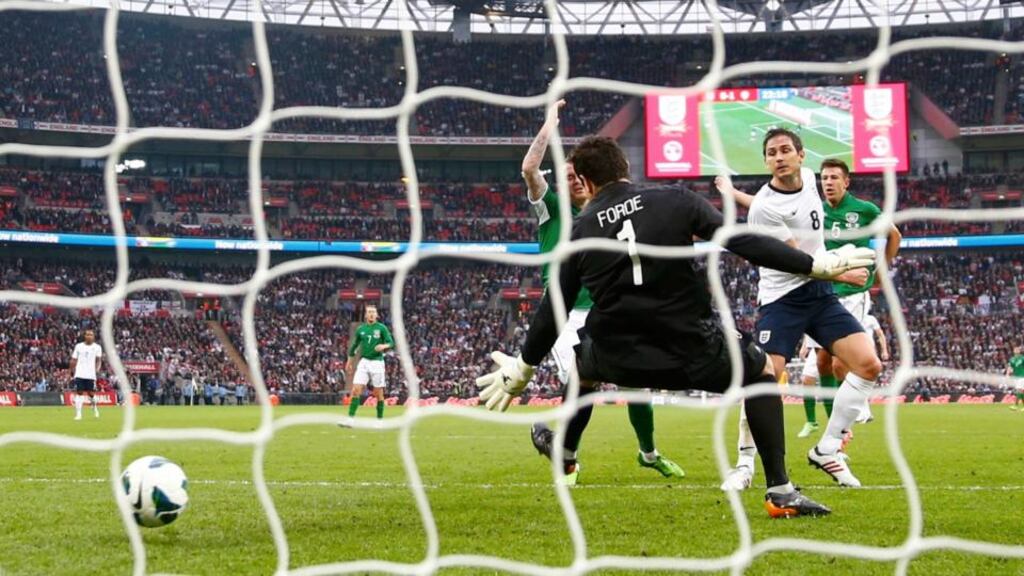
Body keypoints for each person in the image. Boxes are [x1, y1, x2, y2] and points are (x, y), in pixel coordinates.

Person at [477, 135, 874, 518]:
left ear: (583, 180)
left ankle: (565, 452)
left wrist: (524, 367)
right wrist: (813, 265)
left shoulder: (579, 231)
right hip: (694, 347)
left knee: (582, 365)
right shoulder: (674, 199)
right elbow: (739, 240)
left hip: (621, 357)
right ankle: (780, 492)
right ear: (626, 168)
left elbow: (554, 308)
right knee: (762, 373)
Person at [520, 99, 684, 486]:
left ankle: (648, 454)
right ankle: (567, 457)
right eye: (568, 173)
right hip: (565, 314)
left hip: (612, 309)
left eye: (581, 173)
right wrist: (550, 125)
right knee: (582, 381)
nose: (575, 178)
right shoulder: (554, 209)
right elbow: (529, 168)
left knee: (637, 385)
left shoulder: (610, 214)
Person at [715, 131, 884, 490]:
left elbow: (789, 218)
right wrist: (842, 269)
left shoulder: (809, 180)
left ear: (801, 156)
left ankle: (828, 448)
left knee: (869, 365)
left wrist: (732, 194)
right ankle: (745, 463)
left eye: (785, 150)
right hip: (782, 301)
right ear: (765, 162)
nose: (779, 157)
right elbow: (796, 260)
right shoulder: (763, 208)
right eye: (772, 153)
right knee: (763, 378)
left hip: (820, 295)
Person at [339, 305, 394, 426]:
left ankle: (379, 420)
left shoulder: (381, 328)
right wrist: (349, 361)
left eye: (373, 312)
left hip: (377, 363)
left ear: (377, 315)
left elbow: (391, 342)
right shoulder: (361, 329)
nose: (371, 314)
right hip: (364, 362)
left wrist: (383, 346)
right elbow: (354, 347)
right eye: (369, 312)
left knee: (378, 393)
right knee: (355, 390)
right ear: (365, 315)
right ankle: (350, 419)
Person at [70, 329, 103, 420]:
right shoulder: (79, 346)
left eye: (91, 335)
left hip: (91, 374)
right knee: (79, 393)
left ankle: (95, 407)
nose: (89, 336)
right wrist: (71, 371)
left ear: (94, 337)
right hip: (80, 373)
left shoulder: (97, 347)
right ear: (84, 336)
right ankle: (78, 414)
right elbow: (73, 359)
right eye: (87, 334)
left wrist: (97, 369)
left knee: (91, 394)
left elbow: (98, 360)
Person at [1007, 346, 1024, 411]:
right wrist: (1007, 374)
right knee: (1022, 392)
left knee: (1019, 391)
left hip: (1022, 376)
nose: (1016, 350)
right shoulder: (1012, 359)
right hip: (1016, 377)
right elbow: (1010, 367)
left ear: (1020, 351)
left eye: (1018, 349)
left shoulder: (1022, 358)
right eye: (1015, 349)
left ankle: (1015, 405)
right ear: (1013, 351)